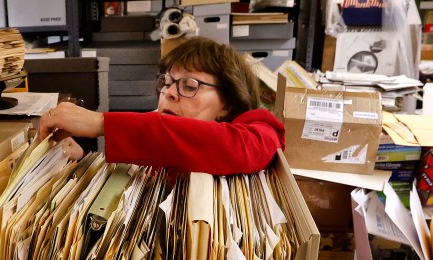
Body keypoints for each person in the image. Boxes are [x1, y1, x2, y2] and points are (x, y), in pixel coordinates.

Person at [38, 36, 285, 175]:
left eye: (189, 86)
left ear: (228, 103)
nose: (169, 94)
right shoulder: (160, 135)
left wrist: (100, 122)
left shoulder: (260, 131)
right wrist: (81, 163)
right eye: (166, 83)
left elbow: (240, 147)